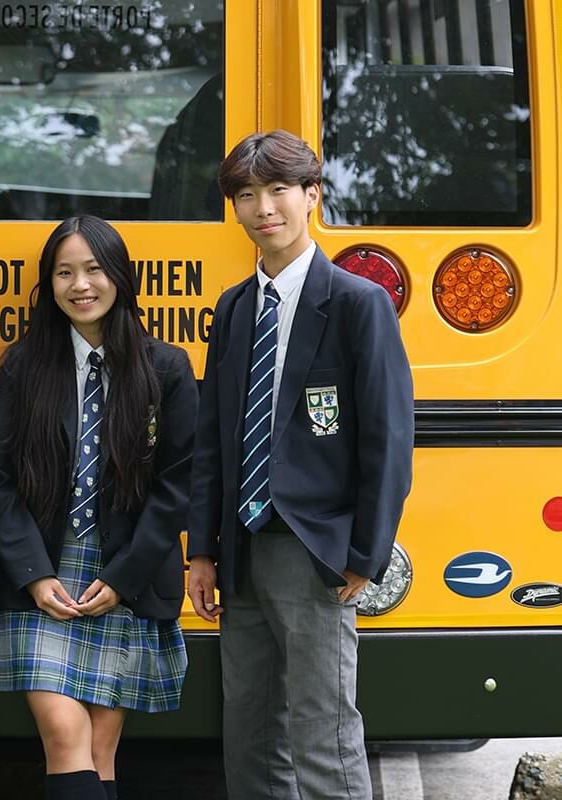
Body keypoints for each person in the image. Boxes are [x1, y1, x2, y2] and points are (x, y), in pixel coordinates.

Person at [186, 130, 413, 799]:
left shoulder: (357, 302)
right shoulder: (234, 307)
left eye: (279, 189)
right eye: (246, 194)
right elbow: (213, 438)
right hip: (242, 547)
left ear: (312, 195)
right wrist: (203, 551)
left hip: (315, 549)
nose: (263, 208)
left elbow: (387, 438)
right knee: (249, 730)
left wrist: (365, 554)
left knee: (321, 730)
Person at [0, 215, 197, 800]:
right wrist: (33, 574)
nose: (80, 285)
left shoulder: (166, 368)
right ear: (48, 284)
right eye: (64, 272)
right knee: (63, 731)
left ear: (120, 276)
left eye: (94, 269)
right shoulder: (23, 365)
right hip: (40, 573)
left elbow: (176, 486)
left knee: (100, 747)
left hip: (125, 574)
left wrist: (123, 579)